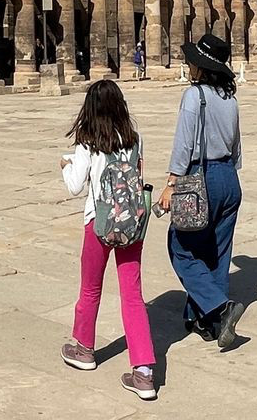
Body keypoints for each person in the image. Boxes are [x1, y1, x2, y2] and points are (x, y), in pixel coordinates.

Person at [59, 80, 157, 400]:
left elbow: (75, 186)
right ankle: (144, 372)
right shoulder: (134, 138)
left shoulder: (88, 141)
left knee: (91, 288)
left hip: (98, 222)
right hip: (131, 222)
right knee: (132, 294)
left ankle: (84, 348)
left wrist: (66, 166)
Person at [157, 34, 245, 349]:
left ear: (201, 67)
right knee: (216, 252)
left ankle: (220, 308)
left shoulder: (194, 96)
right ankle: (205, 322)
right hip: (229, 178)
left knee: (180, 246)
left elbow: (184, 143)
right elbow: (236, 145)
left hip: (200, 177)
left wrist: (172, 183)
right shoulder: (230, 98)